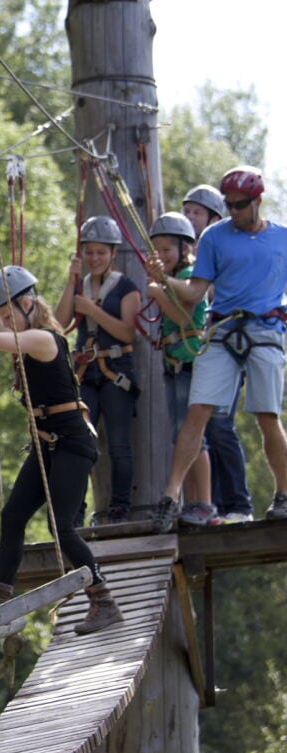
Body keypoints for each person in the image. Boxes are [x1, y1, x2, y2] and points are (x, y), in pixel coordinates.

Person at [0, 266, 122, 635]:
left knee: (61, 526)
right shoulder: (29, 336)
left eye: (7, 314)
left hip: (72, 444)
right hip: (47, 443)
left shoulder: (45, 339)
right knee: (13, 515)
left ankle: (103, 599)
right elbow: (1, 336)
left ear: (28, 304)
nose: (4, 321)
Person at [149, 166, 287, 531]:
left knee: (266, 415)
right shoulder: (213, 237)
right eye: (229, 205)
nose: (234, 212)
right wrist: (164, 280)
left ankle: (284, 495)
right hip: (224, 331)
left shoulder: (282, 239)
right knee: (198, 412)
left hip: (266, 329)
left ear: (258, 201)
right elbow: (194, 293)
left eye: (240, 205)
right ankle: (170, 496)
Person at [55, 216, 141, 524]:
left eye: (100, 253)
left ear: (113, 254)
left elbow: (128, 332)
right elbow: (60, 324)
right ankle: (75, 510)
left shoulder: (126, 287)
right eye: (89, 252)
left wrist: (93, 311)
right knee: (80, 440)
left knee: (118, 442)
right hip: (86, 371)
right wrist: (70, 280)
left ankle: (120, 506)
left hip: (116, 368)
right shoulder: (81, 285)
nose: (94, 259)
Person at [183, 183, 254, 524]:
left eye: (196, 212)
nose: (190, 217)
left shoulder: (220, 250)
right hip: (203, 350)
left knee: (221, 425)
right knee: (202, 431)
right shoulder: (183, 255)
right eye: (187, 212)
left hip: (228, 343)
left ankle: (238, 503)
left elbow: (210, 295)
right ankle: (212, 504)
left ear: (213, 218)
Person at [145, 212, 217, 527]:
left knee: (192, 436)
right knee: (181, 435)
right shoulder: (173, 278)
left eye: (167, 249)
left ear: (184, 248)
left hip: (192, 362)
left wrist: (160, 292)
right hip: (176, 363)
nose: (161, 255)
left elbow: (190, 319)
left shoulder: (190, 275)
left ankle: (203, 503)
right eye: (156, 249)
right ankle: (194, 504)